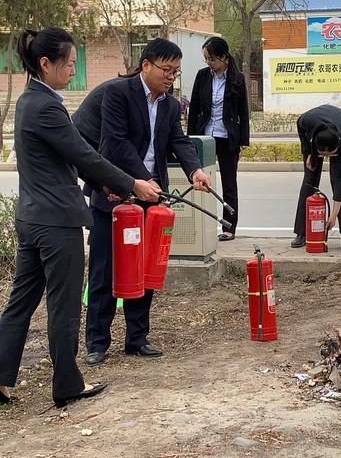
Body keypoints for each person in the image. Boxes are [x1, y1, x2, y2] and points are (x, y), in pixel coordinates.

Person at [0, 27, 159, 408]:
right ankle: (68, 384)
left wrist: (105, 185)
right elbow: (83, 154)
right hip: (57, 223)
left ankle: (1, 379)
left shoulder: (29, 101)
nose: (73, 70)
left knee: (20, 302)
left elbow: (67, 157)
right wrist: (133, 184)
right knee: (64, 304)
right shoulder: (46, 106)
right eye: (69, 64)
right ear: (45, 63)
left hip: (33, 218)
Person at [84, 38, 212, 366]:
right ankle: (97, 341)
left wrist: (195, 169)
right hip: (115, 194)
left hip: (151, 199)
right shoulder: (117, 93)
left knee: (146, 268)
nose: (171, 77)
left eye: (175, 71)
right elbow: (116, 143)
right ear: (146, 65)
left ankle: (137, 338)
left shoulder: (169, 105)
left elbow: (178, 141)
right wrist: (141, 179)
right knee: (104, 269)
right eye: (166, 70)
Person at [187, 37, 249, 242]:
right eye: (206, 59)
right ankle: (198, 224)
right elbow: (194, 107)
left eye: (212, 59)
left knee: (229, 182)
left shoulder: (237, 79)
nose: (209, 63)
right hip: (204, 135)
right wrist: (190, 137)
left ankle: (229, 226)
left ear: (223, 57)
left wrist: (244, 139)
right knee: (198, 180)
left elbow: (243, 111)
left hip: (227, 136)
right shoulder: (202, 76)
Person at [291, 105, 341, 251]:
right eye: (323, 155)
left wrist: (333, 215)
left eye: (331, 154)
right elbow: (300, 126)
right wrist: (308, 152)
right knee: (309, 181)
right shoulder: (307, 120)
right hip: (316, 141)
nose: (327, 157)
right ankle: (301, 233)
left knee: (340, 183)